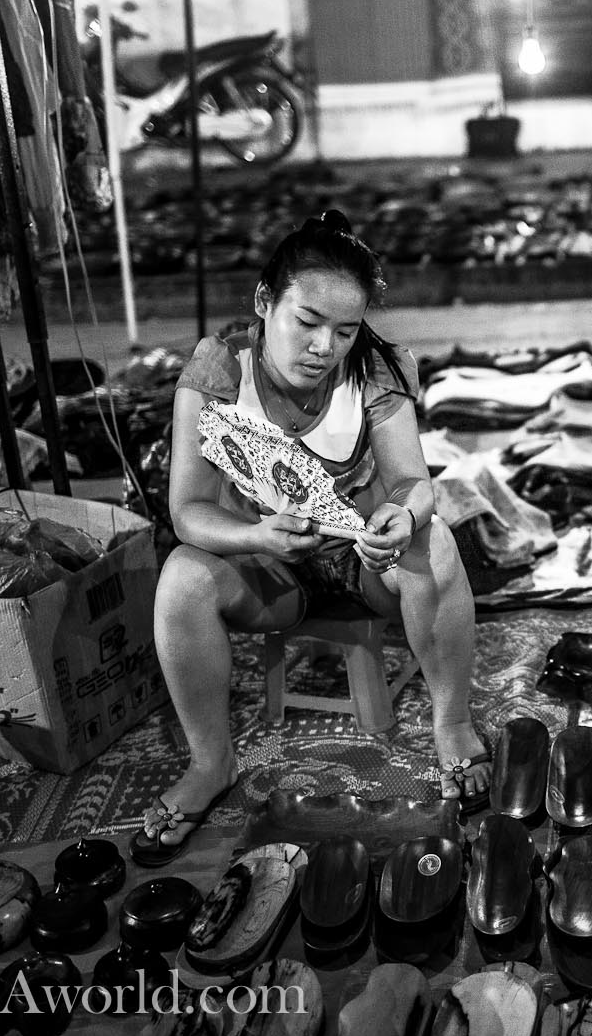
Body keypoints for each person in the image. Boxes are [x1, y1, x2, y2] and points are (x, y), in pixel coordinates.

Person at [132, 211, 489, 867]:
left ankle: (453, 722)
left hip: (362, 564)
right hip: (266, 566)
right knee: (182, 572)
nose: (326, 345)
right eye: (308, 321)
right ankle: (211, 762)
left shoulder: (375, 368)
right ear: (266, 303)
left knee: (436, 542)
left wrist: (402, 520)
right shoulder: (220, 366)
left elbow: (414, 481)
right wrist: (252, 533)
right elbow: (186, 509)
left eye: (345, 330)